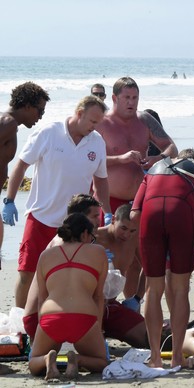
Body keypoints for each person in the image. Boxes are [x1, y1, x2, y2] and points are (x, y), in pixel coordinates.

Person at [3, 95, 111, 308]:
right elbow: (21, 165)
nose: (95, 127)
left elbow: (101, 180)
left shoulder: (97, 141)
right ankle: (22, 323)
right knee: (28, 273)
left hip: (75, 223)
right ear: (79, 114)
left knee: (71, 275)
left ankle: (63, 319)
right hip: (41, 217)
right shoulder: (49, 132)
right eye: (92, 121)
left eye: (98, 122)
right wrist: (9, 200)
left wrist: (106, 212)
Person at [131, 151, 194, 368]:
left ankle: (155, 357)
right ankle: (176, 357)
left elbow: (134, 215)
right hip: (181, 217)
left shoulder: (153, 170)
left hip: (150, 218)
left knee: (154, 289)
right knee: (180, 289)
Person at [29, 213, 108, 380]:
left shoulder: (46, 255)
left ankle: (45, 359)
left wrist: (41, 326)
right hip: (83, 318)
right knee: (101, 362)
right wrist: (97, 328)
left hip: (51, 316)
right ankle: (77, 360)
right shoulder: (98, 252)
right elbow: (98, 296)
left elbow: (42, 298)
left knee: (33, 363)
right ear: (85, 234)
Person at [23, 194, 103, 344]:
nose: (99, 220)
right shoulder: (62, 245)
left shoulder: (72, 241)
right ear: (80, 218)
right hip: (40, 317)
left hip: (51, 313)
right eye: (95, 216)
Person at [96, 76, 178, 216]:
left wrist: (158, 158)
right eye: (126, 97)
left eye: (135, 98)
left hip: (140, 201)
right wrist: (120, 159)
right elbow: (88, 160)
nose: (131, 102)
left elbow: (171, 148)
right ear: (115, 98)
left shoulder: (144, 119)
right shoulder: (101, 123)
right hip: (109, 202)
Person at [0, 82, 49, 251]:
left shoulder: (10, 126)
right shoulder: (7, 123)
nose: (41, 116)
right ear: (27, 106)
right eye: (40, 110)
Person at [94, 204, 149, 348]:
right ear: (113, 220)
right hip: (89, 306)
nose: (127, 235)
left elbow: (149, 268)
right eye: (123, 228)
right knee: (95, 349)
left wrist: (137, 298)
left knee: (148, 339)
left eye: (132, 230)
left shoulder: (133, 240)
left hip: (112, 306)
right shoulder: (95, 237)